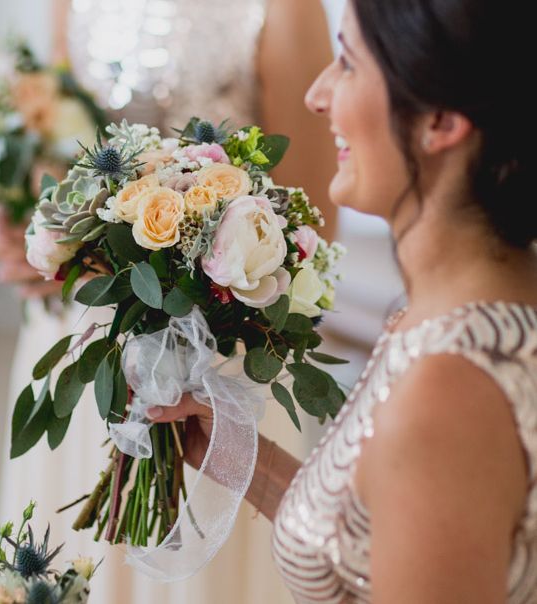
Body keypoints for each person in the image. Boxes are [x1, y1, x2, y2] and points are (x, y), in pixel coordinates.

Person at [149, 0, 537, 602]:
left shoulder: (451, 392)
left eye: (349, 64)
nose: (317, 94)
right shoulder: (460, 309)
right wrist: (237, 452)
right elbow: (384, 543)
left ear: (439, 119)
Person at [0, 1, 339, 602]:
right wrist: (30, 223)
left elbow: (312, 214)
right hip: (83, 329)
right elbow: (59, 142)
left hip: (217, 346)